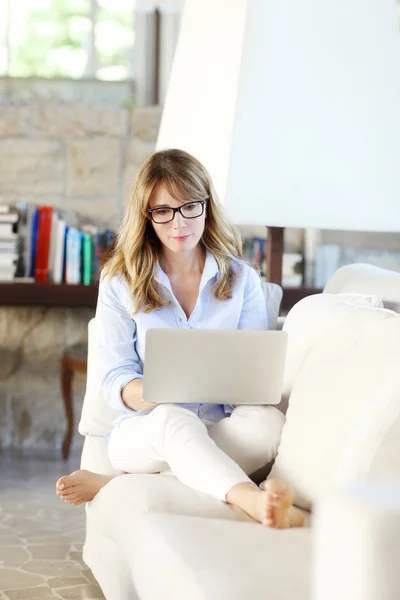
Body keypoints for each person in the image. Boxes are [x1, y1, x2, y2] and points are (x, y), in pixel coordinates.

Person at [56, 149, 304, 529]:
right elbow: (114, 381)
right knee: (173, 418)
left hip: (219, 426)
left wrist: (243, 389)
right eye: (163, 211)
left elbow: (253, 368)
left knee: (269, 423)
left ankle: (113, 484)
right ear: (147, 216)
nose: (179, 223)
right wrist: (155, 391)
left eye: (190, 207)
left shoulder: (243, 279)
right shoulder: (120, 281)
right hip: (145, 430)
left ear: (206, 206)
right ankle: (250, 499)